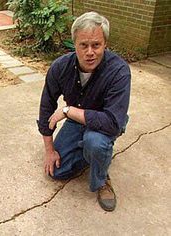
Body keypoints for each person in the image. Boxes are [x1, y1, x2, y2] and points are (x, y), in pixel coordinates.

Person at [37, 11, 131, 212]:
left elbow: (112, 123)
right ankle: (96, 155)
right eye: (84, 45)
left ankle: (101, 177)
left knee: (95, 142)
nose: (90, 52)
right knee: (57, 171)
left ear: (105, 44)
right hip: (78, 119)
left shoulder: (119, 71)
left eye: (96, 45)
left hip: (108, 119)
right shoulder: (60, 67)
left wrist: (68, 110)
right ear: (74, 44)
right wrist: (49, 150)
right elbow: (46, 106)